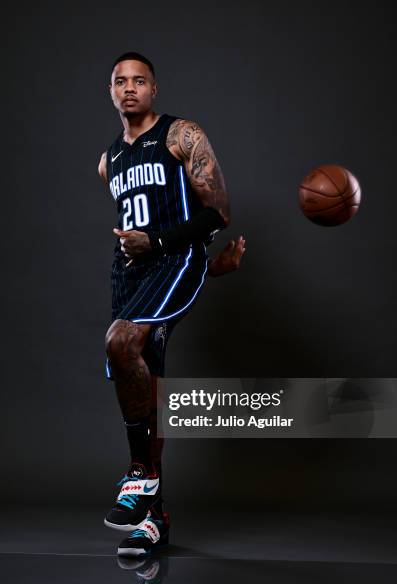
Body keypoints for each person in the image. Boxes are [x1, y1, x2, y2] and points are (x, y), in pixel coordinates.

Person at [98, 51, 245, 556]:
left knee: (120, 341)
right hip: (130, 275)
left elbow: (218, 213)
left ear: (154, 89)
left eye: (140, 80)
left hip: (170, 260)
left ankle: (140, 475)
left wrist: (166, 248)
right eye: (121, 81)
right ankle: (155, 518)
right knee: (146, 386)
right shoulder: (108, 160)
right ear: (111, 91)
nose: (130, 88)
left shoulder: (182, 136)